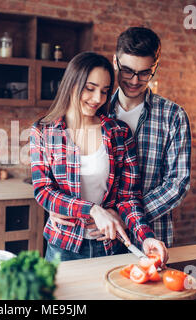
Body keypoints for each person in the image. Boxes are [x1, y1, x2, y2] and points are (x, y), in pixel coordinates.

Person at [50, 27, 191, 249]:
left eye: (145, 72)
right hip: (100, 238)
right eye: (127, 71)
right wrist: (57, 205)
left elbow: (177, 183)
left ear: (155, 67)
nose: (135, 80)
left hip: (152, 233)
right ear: (115, 62)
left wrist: (124, 215)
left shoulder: (173, 116)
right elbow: (61, 175)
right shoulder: (94, 108)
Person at [30, 51, 168, 263]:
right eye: (90, 88)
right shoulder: (43, 131)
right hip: (63, 247)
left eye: (104, 91)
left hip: (110, 246)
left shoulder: (119, 133)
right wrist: (93, 210)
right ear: (72, 84)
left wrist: (145, 237)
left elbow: (128, 198)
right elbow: (44, 192)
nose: (98, 99)